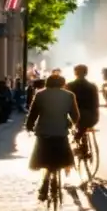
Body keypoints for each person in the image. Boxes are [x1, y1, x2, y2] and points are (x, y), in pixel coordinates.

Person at [25, 72, 80, 202]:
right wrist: (70, 124)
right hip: (61, 133)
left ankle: (45, 184)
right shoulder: (69, 95)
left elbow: (33, 114)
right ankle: (53, 179)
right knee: (61, 159)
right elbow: (75, 116)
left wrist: (29, 126)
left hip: (44, 133)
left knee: (44, 159)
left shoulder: (40, 94)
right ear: (62, 83)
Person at [66, 65, 100, 159]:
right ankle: (80, 140)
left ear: (75, 73)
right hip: (92, 117)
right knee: (83, 125)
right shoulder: (93, 86)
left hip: (76, 117)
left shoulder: (69, 85)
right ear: (86, 73)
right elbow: (96, 104)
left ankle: (76, 140)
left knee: (74, 123)